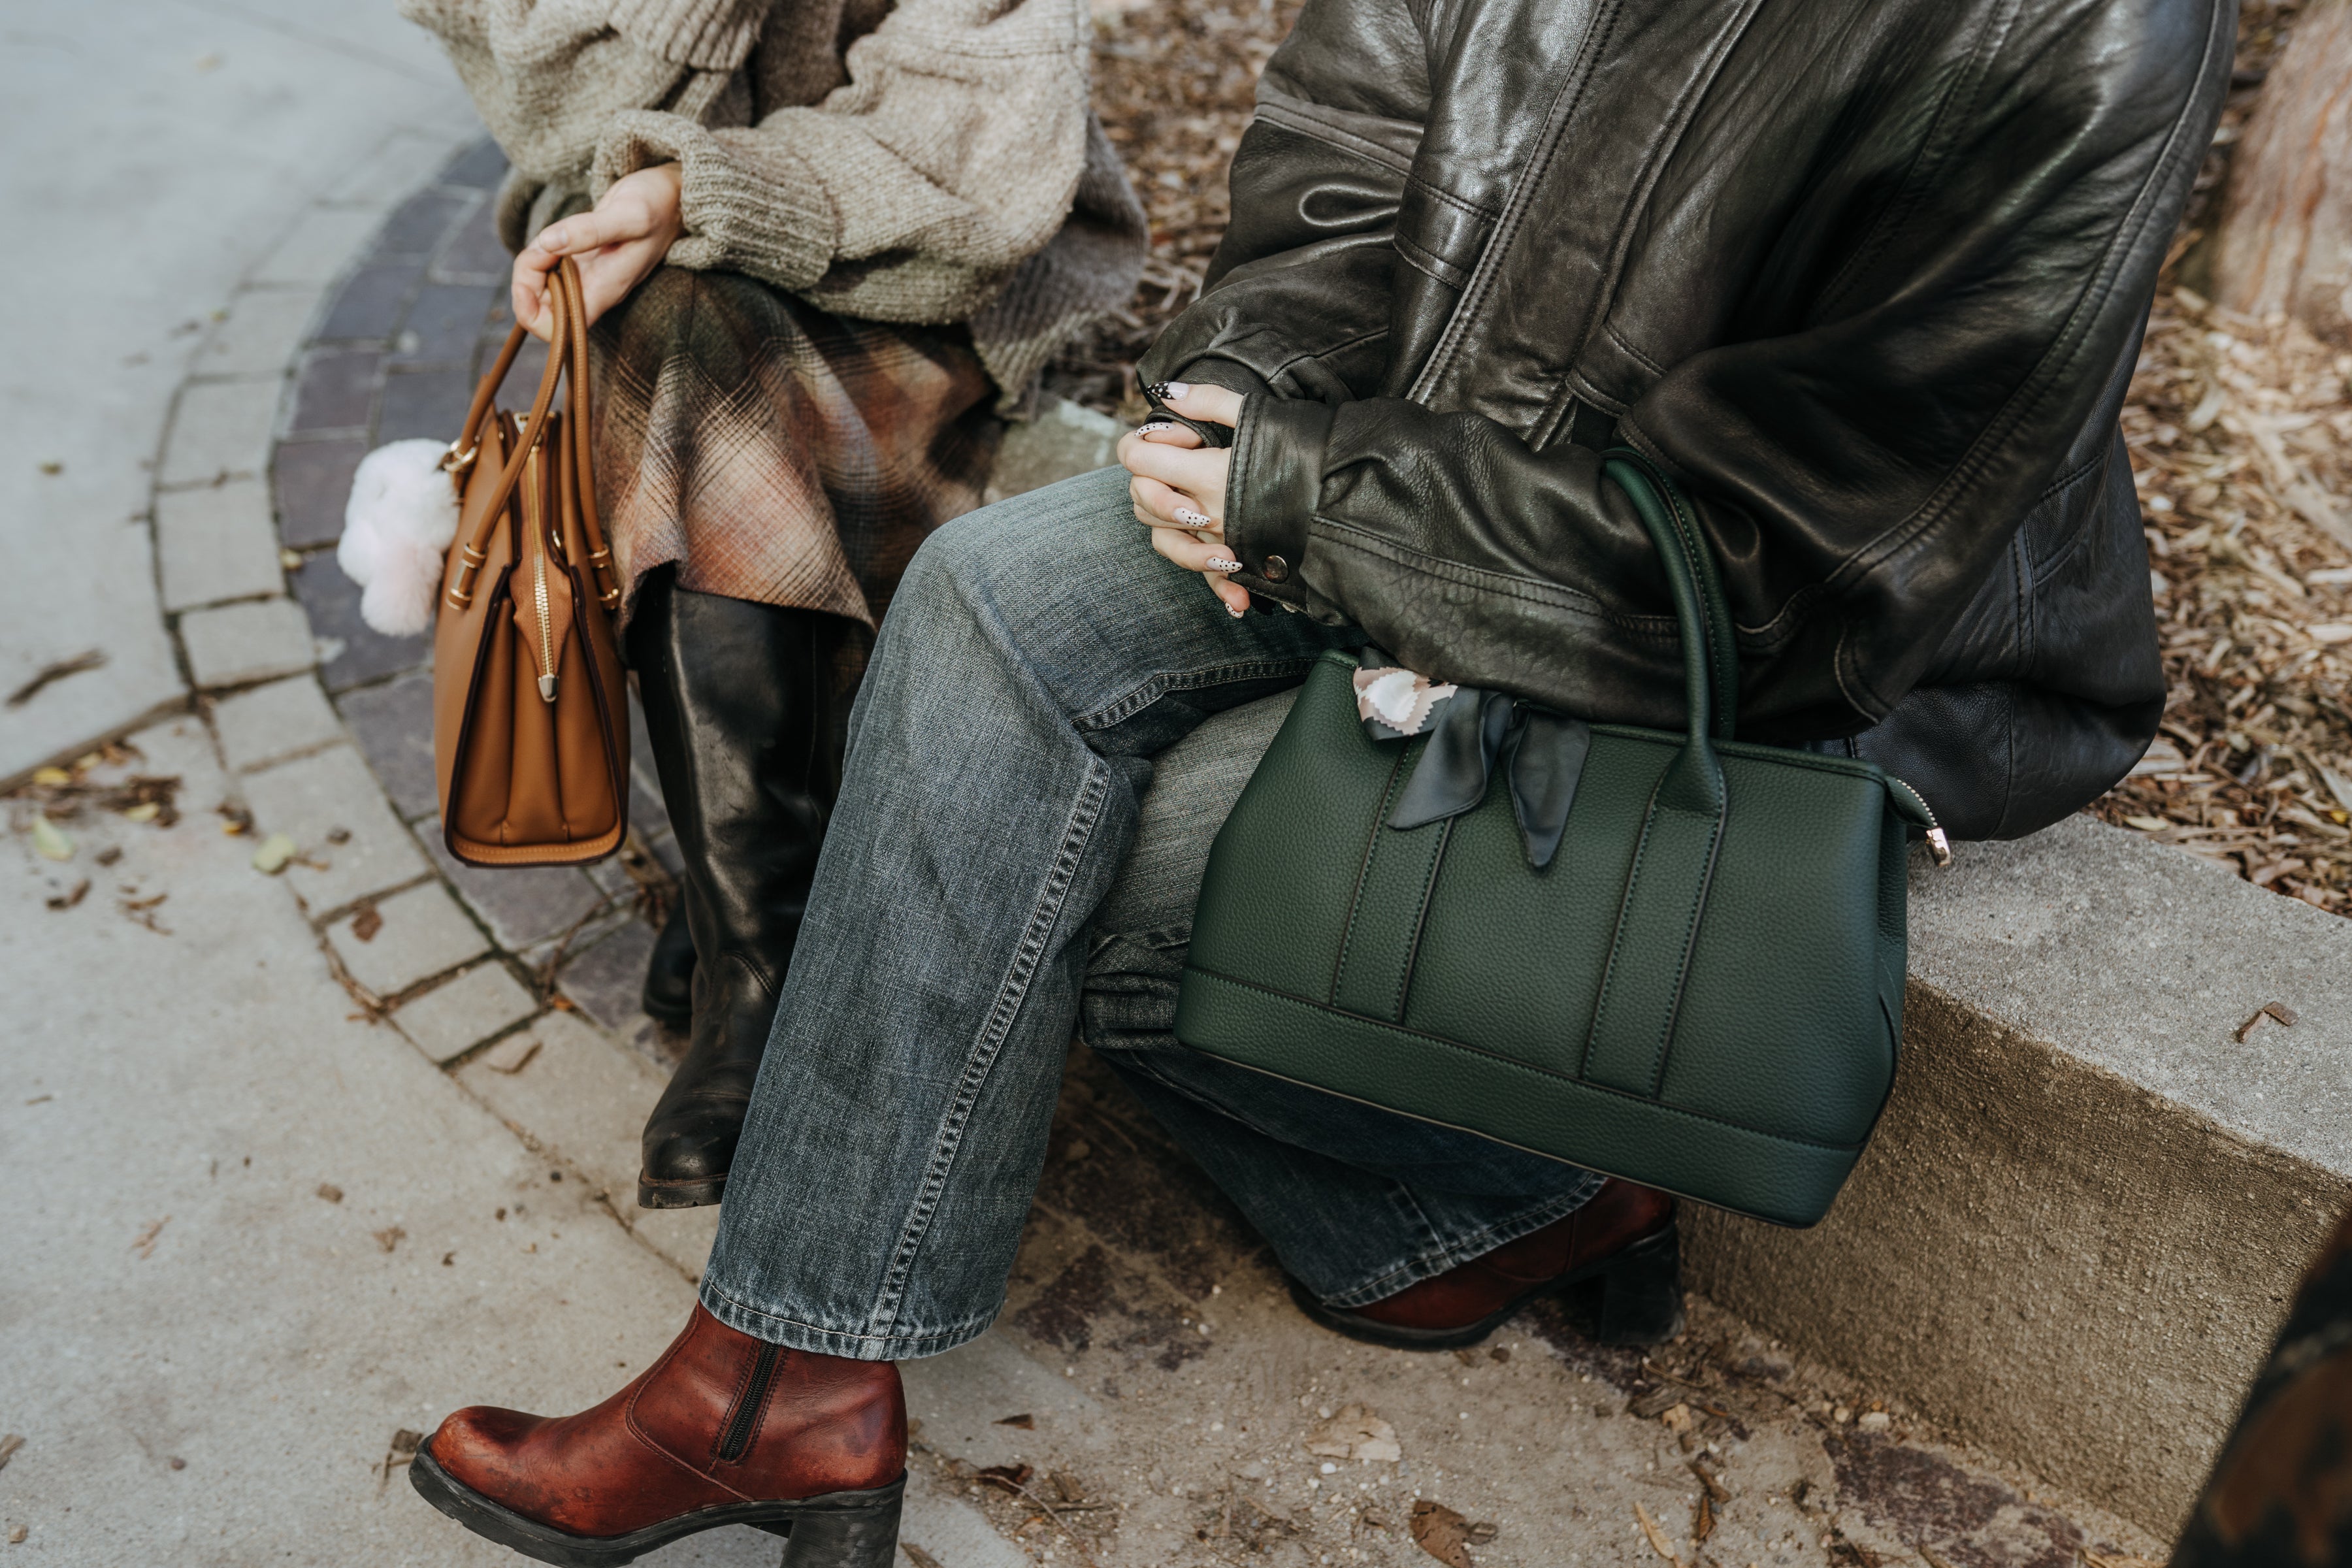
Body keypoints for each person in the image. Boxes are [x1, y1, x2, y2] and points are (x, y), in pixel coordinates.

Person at [405, 0, 2232, 1560]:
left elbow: (1792, 561)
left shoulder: (2083, 26)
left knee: (1104, 871)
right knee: (984, 607)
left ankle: (1478, 1203)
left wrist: (1324, 505)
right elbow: (1330, 187)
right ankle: (789, 1376)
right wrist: (1242, 423)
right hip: (1397, 481)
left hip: (1745, 641)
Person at [398, 0, 1147, 1211]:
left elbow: (971, 156)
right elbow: (567, 117)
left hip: (909, 265)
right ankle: (760, 936)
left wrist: (694, 193)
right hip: (637, 267)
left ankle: (748, 942)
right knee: (676, 333)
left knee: (683, 360)